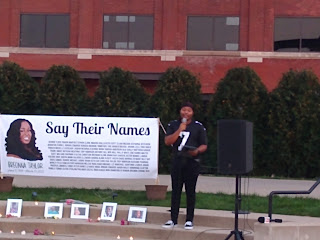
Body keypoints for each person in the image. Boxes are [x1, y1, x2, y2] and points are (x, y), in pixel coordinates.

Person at [162, 102, 207, 230]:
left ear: (192, 113)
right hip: (177, 161)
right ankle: (173, 219)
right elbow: (167, 141)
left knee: (190, 191)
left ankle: (189, 219)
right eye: (184, 110)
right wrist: (179, 130)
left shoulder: (198, 126)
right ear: (180, 111)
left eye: (189, 111)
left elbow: (204, 144)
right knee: (176, 190)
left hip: (191, 162)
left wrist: (197, 151)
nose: (186, 113)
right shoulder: (173, 125)